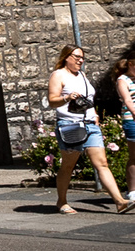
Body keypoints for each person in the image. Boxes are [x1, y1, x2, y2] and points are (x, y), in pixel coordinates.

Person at [48, 45, 131, 214]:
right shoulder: (58, 75)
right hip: (70, 125)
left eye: (82, 58)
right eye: (77, 57)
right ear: (66, 57)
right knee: (68, 166)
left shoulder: (82, 75)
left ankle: (120, 201)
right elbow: (52, 101)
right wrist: (66, 97)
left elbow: (87, 100)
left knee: (102, 163)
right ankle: (62, 201)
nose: (80, 60)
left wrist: (94, 114)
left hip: (90, 124)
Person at [114, 55, 135, 202]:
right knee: (134, 157)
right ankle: (132, 190)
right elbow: (127, 99)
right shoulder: (123, 80)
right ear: (130, 64)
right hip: (132, 120)